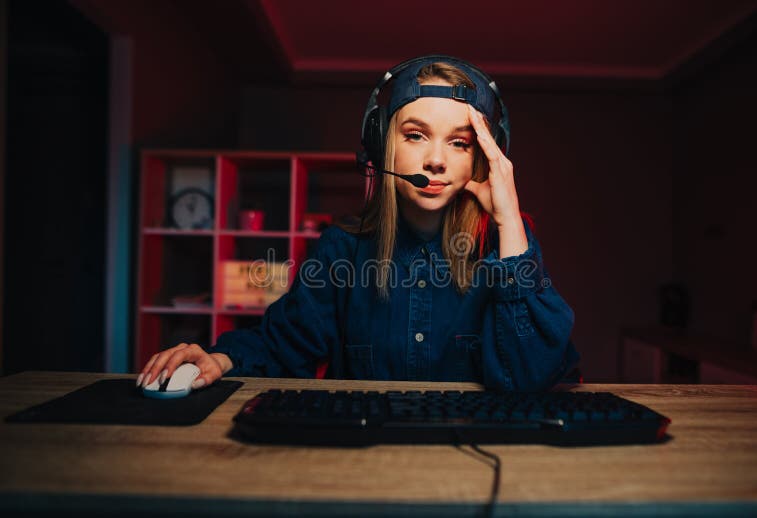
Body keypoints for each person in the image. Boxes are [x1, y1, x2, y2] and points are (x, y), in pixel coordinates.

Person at [137, 55, 579, 392]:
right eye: (415, 134)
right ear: (381, 143)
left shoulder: (507, 247)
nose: (436, 160)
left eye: (459, 143)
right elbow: (283, 344)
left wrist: (508, 219)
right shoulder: (340, 250)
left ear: (482, 157)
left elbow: (531, 379)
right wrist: (219, 359)